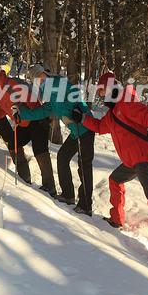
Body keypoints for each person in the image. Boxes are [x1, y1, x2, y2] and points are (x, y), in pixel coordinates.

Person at [79, 72, 148, 262]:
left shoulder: (127, 102)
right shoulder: (113, 113)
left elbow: (147, 117)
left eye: (102, 91)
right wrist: (82, 118)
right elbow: (100, 127)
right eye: (99, 92)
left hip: (143, 159)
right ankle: (117, 219)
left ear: (110, 88)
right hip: (130, 161)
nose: (100, 96)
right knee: (114, 180)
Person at [15, 64, 94, 215]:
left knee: (84, 167)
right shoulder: (49, 91)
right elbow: (45, 110)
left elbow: (73, 97)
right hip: (75, 131)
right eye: (36, 79)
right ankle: (68, 195)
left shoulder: (58, 84)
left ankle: (85, 205)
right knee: (63, 157)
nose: (40, 79)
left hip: (85, 127)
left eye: (41, 75)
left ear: (45, 72)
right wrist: (22, 114)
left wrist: (80, 110)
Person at [0, 63, 55, 193]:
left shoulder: (11, 84)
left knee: (39, 150)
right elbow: (6, 107)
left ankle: (49, 187)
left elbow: (32, 99)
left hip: (36, 119)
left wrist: (28, 113)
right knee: (13, 144)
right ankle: (24, 179)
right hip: (22, 123)